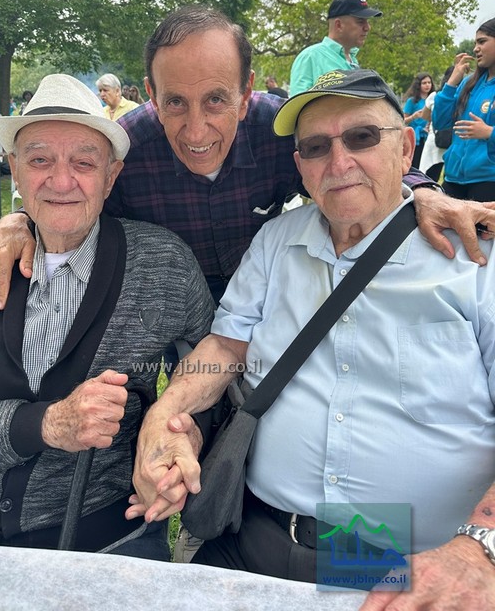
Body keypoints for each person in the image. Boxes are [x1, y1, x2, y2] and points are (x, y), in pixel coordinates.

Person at [131, 69, 495, 610]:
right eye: (317, 147)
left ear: (406, 148)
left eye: (362, 137)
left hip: (409, 568)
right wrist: (165, 412)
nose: (339, 162)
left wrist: (481, 549)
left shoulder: (476, 259)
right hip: (254, 543)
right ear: (300, 166)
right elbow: (226, 348)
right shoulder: (276, 241)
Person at [0, 6, 495, 318]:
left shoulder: (278, 129)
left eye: (216, 100)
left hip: (264, 301)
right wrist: (18, 222)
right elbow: (69, 194)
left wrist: (422, 191)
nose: (196, 131)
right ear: (151, 94)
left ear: (245, 93)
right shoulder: (128, 147)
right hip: (165, 312)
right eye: (175, 102)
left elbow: (350, 163)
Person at [0, 74, 213, 557]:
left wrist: (184, 431)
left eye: (84, 162)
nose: (60, 181)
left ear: (111, 177)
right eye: (39, 160)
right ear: (15, 169)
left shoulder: (162, 265)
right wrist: (49, 424)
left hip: (109, 539)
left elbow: (214, 368)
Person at [433, 18, 495, 203]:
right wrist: (452, 82)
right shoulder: (469, 84)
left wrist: (489, 132)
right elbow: (440, 122)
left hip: (488, 180)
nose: (475, 48)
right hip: (453, 178)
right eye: (475, 42)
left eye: (482, 42)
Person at [289, 0, 382, 96]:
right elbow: (297, 104)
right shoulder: (310, 57)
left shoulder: (352, 60)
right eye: (360, 21)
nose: (367, 27)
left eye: (367, 21)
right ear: (339, 25)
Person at [419, 67, 454, 182]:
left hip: (435, 138)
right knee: (450, 177)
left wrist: (436, 118)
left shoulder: (435, 95)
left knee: (430, 175)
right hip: (455, 140)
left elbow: (424, 115)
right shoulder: (464, 95)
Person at [402, 72, 434, 169]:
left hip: (428, 137)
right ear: (418, 85)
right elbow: (403, 121)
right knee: (415, 165)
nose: (427, 85)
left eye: (429, 82)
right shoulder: (412, 101)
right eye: (424, 83)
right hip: (415, 138)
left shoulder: (433, 100)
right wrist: (413, 117)